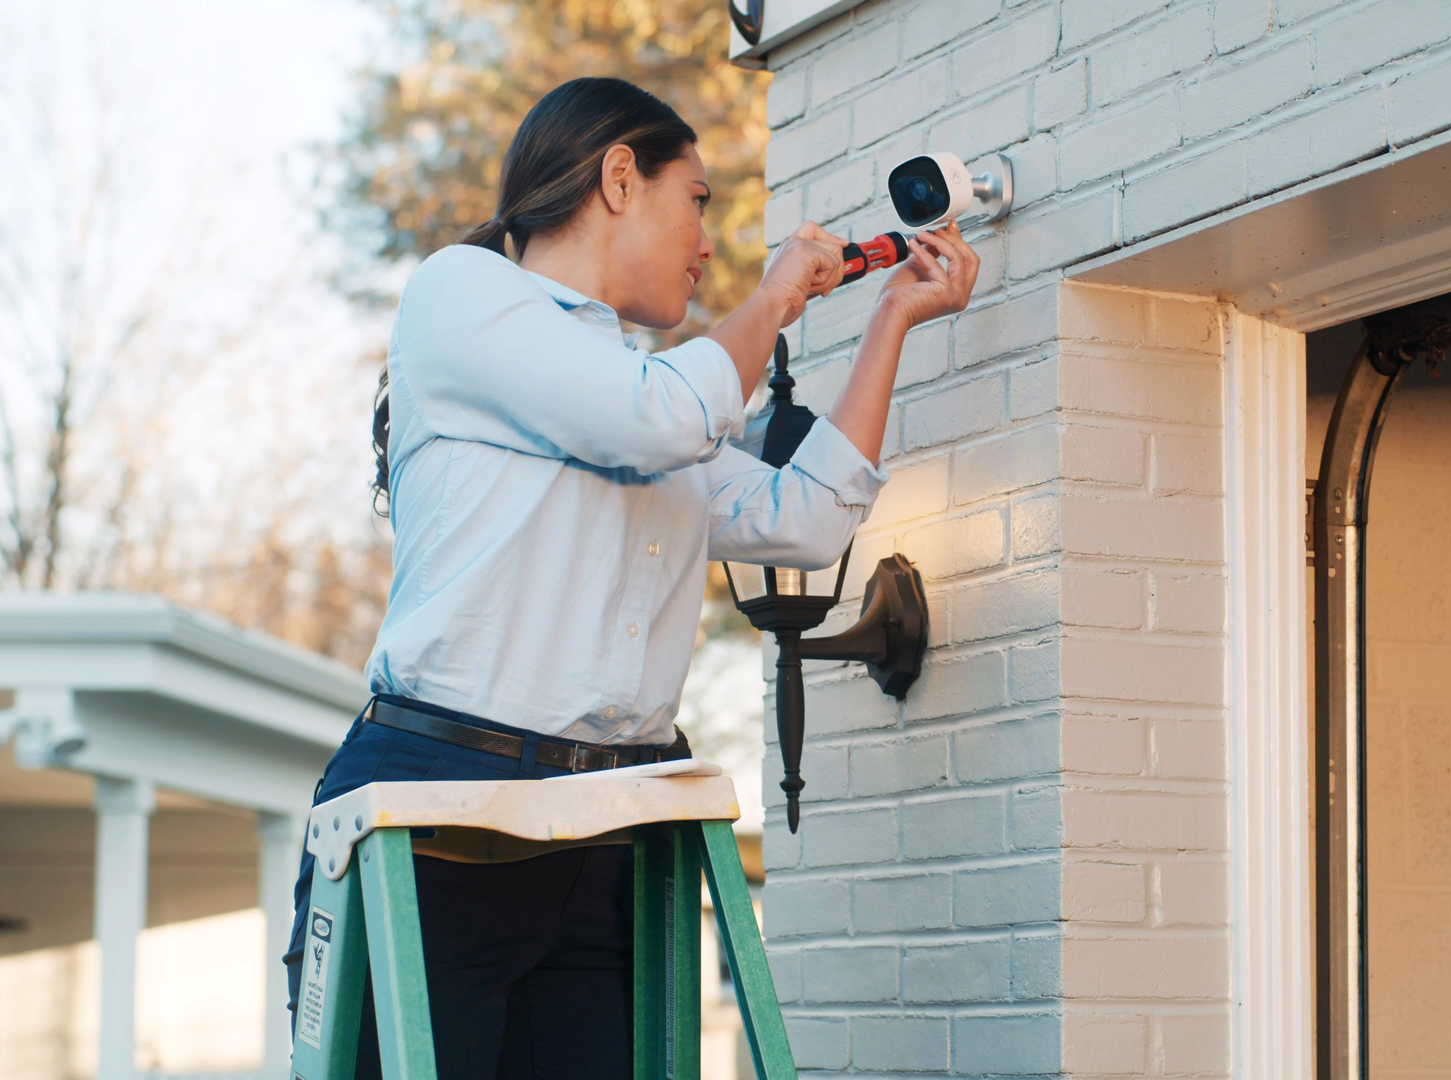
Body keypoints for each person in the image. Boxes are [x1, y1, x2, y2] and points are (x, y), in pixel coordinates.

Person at [285, 76, 980, 1078]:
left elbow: (807, 515)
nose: (708, 241)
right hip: (437, 819)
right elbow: (656, 416)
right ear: (621, 177)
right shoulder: (466, 297)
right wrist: (777, 294)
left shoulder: (644, 389)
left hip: (605, 832)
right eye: (696, 199)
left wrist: (892, 321)